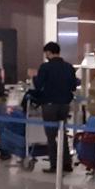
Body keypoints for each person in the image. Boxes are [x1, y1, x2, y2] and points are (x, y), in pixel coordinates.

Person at [33, 42, 78, 173]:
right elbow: (73, 86)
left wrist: (35, 77)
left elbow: (38, 85)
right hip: (65, 104)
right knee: (62, 134)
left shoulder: (45, 67)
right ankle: (67, 163)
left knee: (51, 136)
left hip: (49, 104)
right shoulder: (69, 67)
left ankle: (54, 165)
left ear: (48, 52)